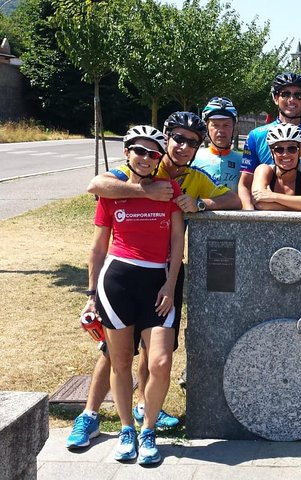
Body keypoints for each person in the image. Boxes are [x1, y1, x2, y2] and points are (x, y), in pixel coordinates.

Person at [67, 112, 240, 451]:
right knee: (115, 350)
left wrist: (200, 203)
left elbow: (234, 199)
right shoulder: (147, 161)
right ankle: (89, 414)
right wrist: (143, 191)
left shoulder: (193, 177)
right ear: (165, 139)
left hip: (164, 271)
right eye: (178, 138)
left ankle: (148, 408)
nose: (184, 146)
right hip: (126, 271)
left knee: (156, 350)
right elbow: (97, 185)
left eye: (192, 141)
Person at [86, 125, 184, 464]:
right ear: (127, 153)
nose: (145, 158)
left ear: (160, 159)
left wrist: (170, 284)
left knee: (159, 361)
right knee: (122, 360)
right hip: (117, 282)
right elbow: (98, 247)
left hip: (156, 283)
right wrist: (90, 292)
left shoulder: (168, 188)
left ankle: (149, 430)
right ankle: (127, 429)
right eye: (138, 151)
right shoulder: (114, 191)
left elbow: (176, 242)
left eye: (152, 153)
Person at [240, 72, 301, 209]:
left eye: (298, 95)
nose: (291, 99)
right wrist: (249, 217)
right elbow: (245, 185)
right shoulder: (255, 136)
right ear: (275, 97)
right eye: (285, 94)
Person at [251, 123, 301, 211]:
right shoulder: (263, 170)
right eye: (279, 149)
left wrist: (274, 197)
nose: (285, 154)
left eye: (292, 149)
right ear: (272, 153)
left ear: (300, 152)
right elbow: (260, 203)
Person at [193, 97, 243, 192]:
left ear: (234, 128)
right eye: (215, 125)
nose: (221, 131)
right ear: (206, 128)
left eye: (226, 125)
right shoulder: (193, 158)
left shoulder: (243, 161)